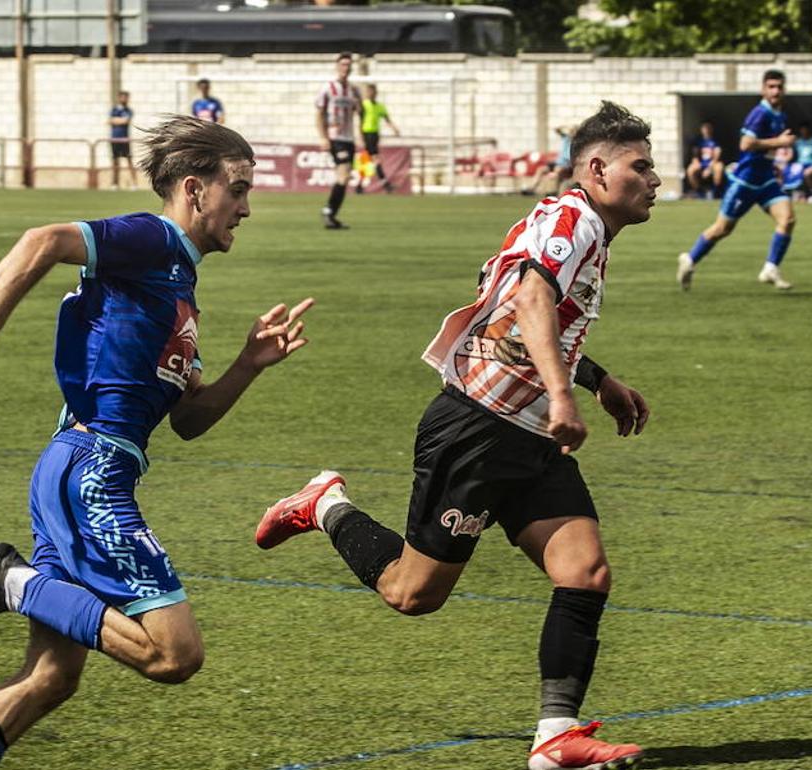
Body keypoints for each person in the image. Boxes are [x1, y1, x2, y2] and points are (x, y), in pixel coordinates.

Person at [0, 115, 314, 770]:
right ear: (193, 189)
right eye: (237, 188)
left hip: (77, 470)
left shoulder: (178, 283)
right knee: (175, 655)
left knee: (48, 680)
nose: (247, 206)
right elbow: (45, 239)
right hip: (89, 472)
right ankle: (11, 583)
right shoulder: (153, 239)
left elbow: (189, 418)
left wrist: (248, 365)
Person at [255, 101, 657, 770]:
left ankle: (556, 739)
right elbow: (529, 303)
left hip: (527, 435)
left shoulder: (571, 225)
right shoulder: (573, 220)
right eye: (641, 166)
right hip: (475, 430)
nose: (655, 179)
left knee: (584, 572)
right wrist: (563, 394)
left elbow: (512, 318)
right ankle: (324, 502)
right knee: (412, 594)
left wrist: (596, 379)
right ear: (596, 169)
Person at [677, 70, 796, 291]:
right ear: (763, 89)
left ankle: (770, 268)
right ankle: (690, 260)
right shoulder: (760, 114)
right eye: (771, 86)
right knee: (723, 229)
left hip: (766, 179)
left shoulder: (780, 115)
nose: (776, 91)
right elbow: (746, 144)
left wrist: (776, 159)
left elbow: (769, 147)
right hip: (746, 181)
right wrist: (779, 141)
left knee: (787, 219)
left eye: (779, 86)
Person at [315, 52, 364, 229]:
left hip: (349, 139)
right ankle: (329, 211)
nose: (346, 68)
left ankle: (332, 215)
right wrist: (323, 137)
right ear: (337, 67)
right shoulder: (328, 88)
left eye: (349, 65)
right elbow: (319, 114)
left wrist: (361, 136)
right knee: (343, 175)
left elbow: (360, 113)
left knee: (344, 177)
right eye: (343, 64)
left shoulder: (354, 90)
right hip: (336, 138)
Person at [355, 82, 399, 194]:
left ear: (375, 93)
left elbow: (387, 119)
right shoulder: (364, 105)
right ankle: (386, 185)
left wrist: (394, 128)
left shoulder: (380, 107)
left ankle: (360, 186)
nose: (370, 94)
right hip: (367, 134)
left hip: (375, 135)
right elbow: (360, 121)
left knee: (368, 161)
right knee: (375, 159)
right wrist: (360, 136)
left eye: (372, 91)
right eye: (368, 91)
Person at [522, 124, 575, 197]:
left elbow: (570, 158)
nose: (571, 133)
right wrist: (566, 126)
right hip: (557, 163)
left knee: (557, 171)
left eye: (573, 131)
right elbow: (556, 129)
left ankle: (554, 192)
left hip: (566, 165)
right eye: (571, 131)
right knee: (541, 170)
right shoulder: (565, 138)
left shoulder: (576, 143)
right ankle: (532, 188)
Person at [684, 120, 723, 199]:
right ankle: (699, 191)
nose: (706, 130)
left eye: (708, 128)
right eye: (704, 128)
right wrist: (696, 162)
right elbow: (694, 155)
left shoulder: (715, 141)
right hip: (701, 163)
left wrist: (709, 168)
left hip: (712, 163)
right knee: (690, 170)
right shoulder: (698, 141)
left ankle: (715, 192)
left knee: (719, 168)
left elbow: (717, 155)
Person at [108, 91, 138, 190]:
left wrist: (117, 120)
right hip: (114, 139)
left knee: (129, 160)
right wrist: (118, 120)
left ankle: (134, 183)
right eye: (123, 97)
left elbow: (126, 121)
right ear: (119, 98)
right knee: (115, 162)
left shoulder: (128, 110)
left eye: (126, 97)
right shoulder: (114, 109)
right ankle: (115, 184)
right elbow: (110, 120)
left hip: (125, 140)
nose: (125, 99)